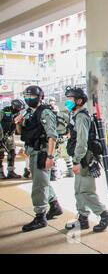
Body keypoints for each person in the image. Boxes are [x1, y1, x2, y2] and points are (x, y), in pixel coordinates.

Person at [64, 87, 108, 233]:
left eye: (70, 99)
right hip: (82, 158)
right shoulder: (76, 115)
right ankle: (83, 218)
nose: (67, 101)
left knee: (86, 190)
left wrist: (75, 161)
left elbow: (82, 142)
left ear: (79, 101)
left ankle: (105, 215)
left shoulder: (81, 117)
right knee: (79, 190)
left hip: (84, 159)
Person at [15, 85, 63, 232]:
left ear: (40, 97)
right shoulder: (29, 112)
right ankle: (54, 206)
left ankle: (40, 217)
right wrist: (17, 122)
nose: (29, 99)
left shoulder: (45, 112)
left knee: (39, 185)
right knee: (43, 181)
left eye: (32, 97)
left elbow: (52, 136)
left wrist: (50, 156)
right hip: (33, 150)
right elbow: (20, 132)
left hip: (42, 152)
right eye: (27, 96)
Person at [0, 99, 26, 179]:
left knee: (12, 152)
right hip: (2, 135)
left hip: (10, 136)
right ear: (14, 106)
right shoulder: (3, 112)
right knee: (0, 154)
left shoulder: (17, 114)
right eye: (19, 108)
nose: (19, 110)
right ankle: (0, 172)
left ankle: (11, 172)